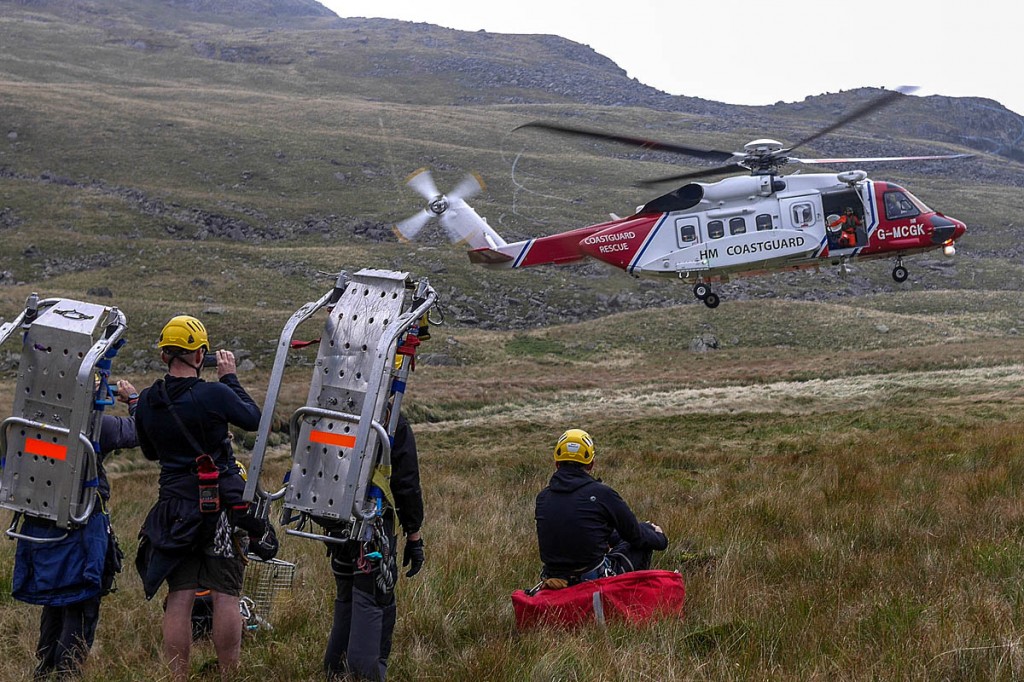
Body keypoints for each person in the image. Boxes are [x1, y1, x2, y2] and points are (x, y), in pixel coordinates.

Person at [133, 315, 269, 682]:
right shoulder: (214, 394)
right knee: (225, 594)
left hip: (174, 510)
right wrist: (230, 378)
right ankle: (228, 675)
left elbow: (149, 452)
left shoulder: (147, 401)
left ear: (165, 355)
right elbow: (254, 419)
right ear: (199, 355)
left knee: (180, 595)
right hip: (218, 509)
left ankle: (178, 677)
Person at [13, 380, 139, 680]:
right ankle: (67, 672)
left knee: (54, 599)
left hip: (41, 528)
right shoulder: (98, 426)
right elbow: (139, 432)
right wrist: (134, 399)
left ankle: (44, 668)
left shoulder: (31, 424)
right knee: (80, 601)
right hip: (82, 527)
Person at [323, 413, 425, 682]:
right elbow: (406, 483)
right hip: (370, 529)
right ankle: (363, 676)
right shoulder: (391, 421)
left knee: (347, 598)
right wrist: (414, 536)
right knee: (372, 601)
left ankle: (335, 670)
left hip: (335, 524)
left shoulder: (332, 408)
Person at [534, 428, 668, 589]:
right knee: (643, 540)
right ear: (591, 464)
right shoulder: (603, 494)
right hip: (592, 579)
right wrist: (659, 537)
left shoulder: (542, 497)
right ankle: (631, 598)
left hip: (553, 578)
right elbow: (635, 535)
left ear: (557, 463)